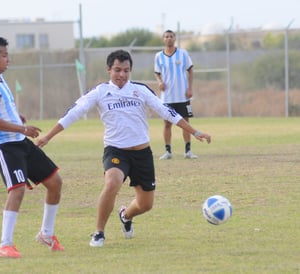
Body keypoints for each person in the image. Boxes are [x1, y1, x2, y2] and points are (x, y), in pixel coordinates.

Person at [37, 49, 211, 247]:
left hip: (142, 153)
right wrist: (48, 136)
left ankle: (126, 215)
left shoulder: (140, 90)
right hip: (116, 151)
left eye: (126, 70)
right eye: (117, 70)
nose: (122, 75)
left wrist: (195, 132)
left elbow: (167, 112)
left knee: (146, 204)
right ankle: (99, 233)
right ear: (109, 70)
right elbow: (73, 113)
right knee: (112, 183)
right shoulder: (100, 92)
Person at [0, 37, 64, 258]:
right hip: (4, 146)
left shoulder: (0, 80)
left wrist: (18, 119)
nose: (8, 59)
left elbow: (2, 111)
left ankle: (46, 233)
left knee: (54, 181)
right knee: (17, 189)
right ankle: (4, 245)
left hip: (19, 140)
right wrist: (22, 128)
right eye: (4, 55)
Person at [154, 29, 197, 160]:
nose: (169, 38)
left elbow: (190, 71)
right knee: (167, 124)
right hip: (167, 97)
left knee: (185, 122)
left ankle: (188, 151)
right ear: (163, 39)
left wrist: (190, 88)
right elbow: (157, 72)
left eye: (171, 36)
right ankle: (168, 151)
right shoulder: (159, 56)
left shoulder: (183, 54)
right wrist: (160, 82)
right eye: (166, 36)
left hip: (182, 96)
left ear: (175, 38)